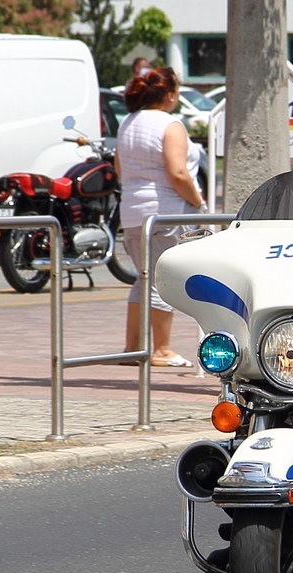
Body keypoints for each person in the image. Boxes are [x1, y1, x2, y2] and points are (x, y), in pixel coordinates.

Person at [115, 67, 205, 368]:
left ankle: (132, 348)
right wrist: (198, 200)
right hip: (165, 212)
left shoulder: (128, 122)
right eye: (176, 89)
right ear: (169, 94)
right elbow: (178, 172)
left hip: (131, 211)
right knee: (161, 280)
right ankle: (162, 349)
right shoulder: (170, 124)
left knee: (143, 277)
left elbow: (119, 169)